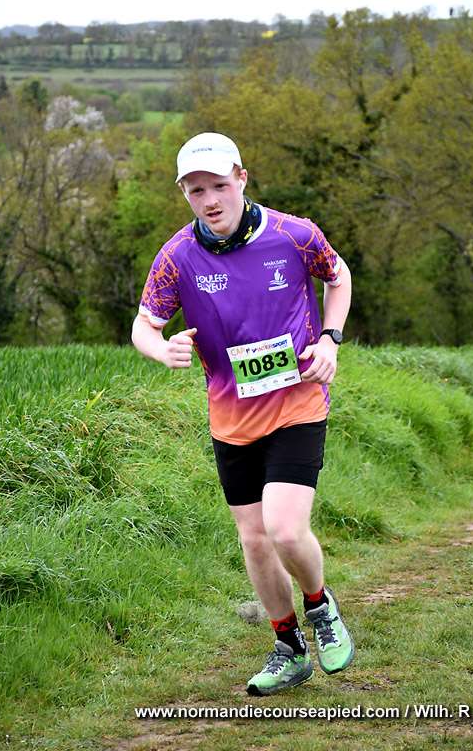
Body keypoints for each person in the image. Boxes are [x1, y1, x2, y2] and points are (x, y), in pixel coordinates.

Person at [132, 132, 354, 696]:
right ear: (185, 194)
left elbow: (338, 277)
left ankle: (320, 606)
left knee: (285, 528)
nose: (209, 200)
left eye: (218, 186)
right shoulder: (177, 256)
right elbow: (144, 324)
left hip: (297, 400)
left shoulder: (293, 234)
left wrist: (329, 339)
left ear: (241, 179)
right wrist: (160, 348)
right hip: (231, 416)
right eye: (195, 191)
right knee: (254, 541)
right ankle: (289, 648)